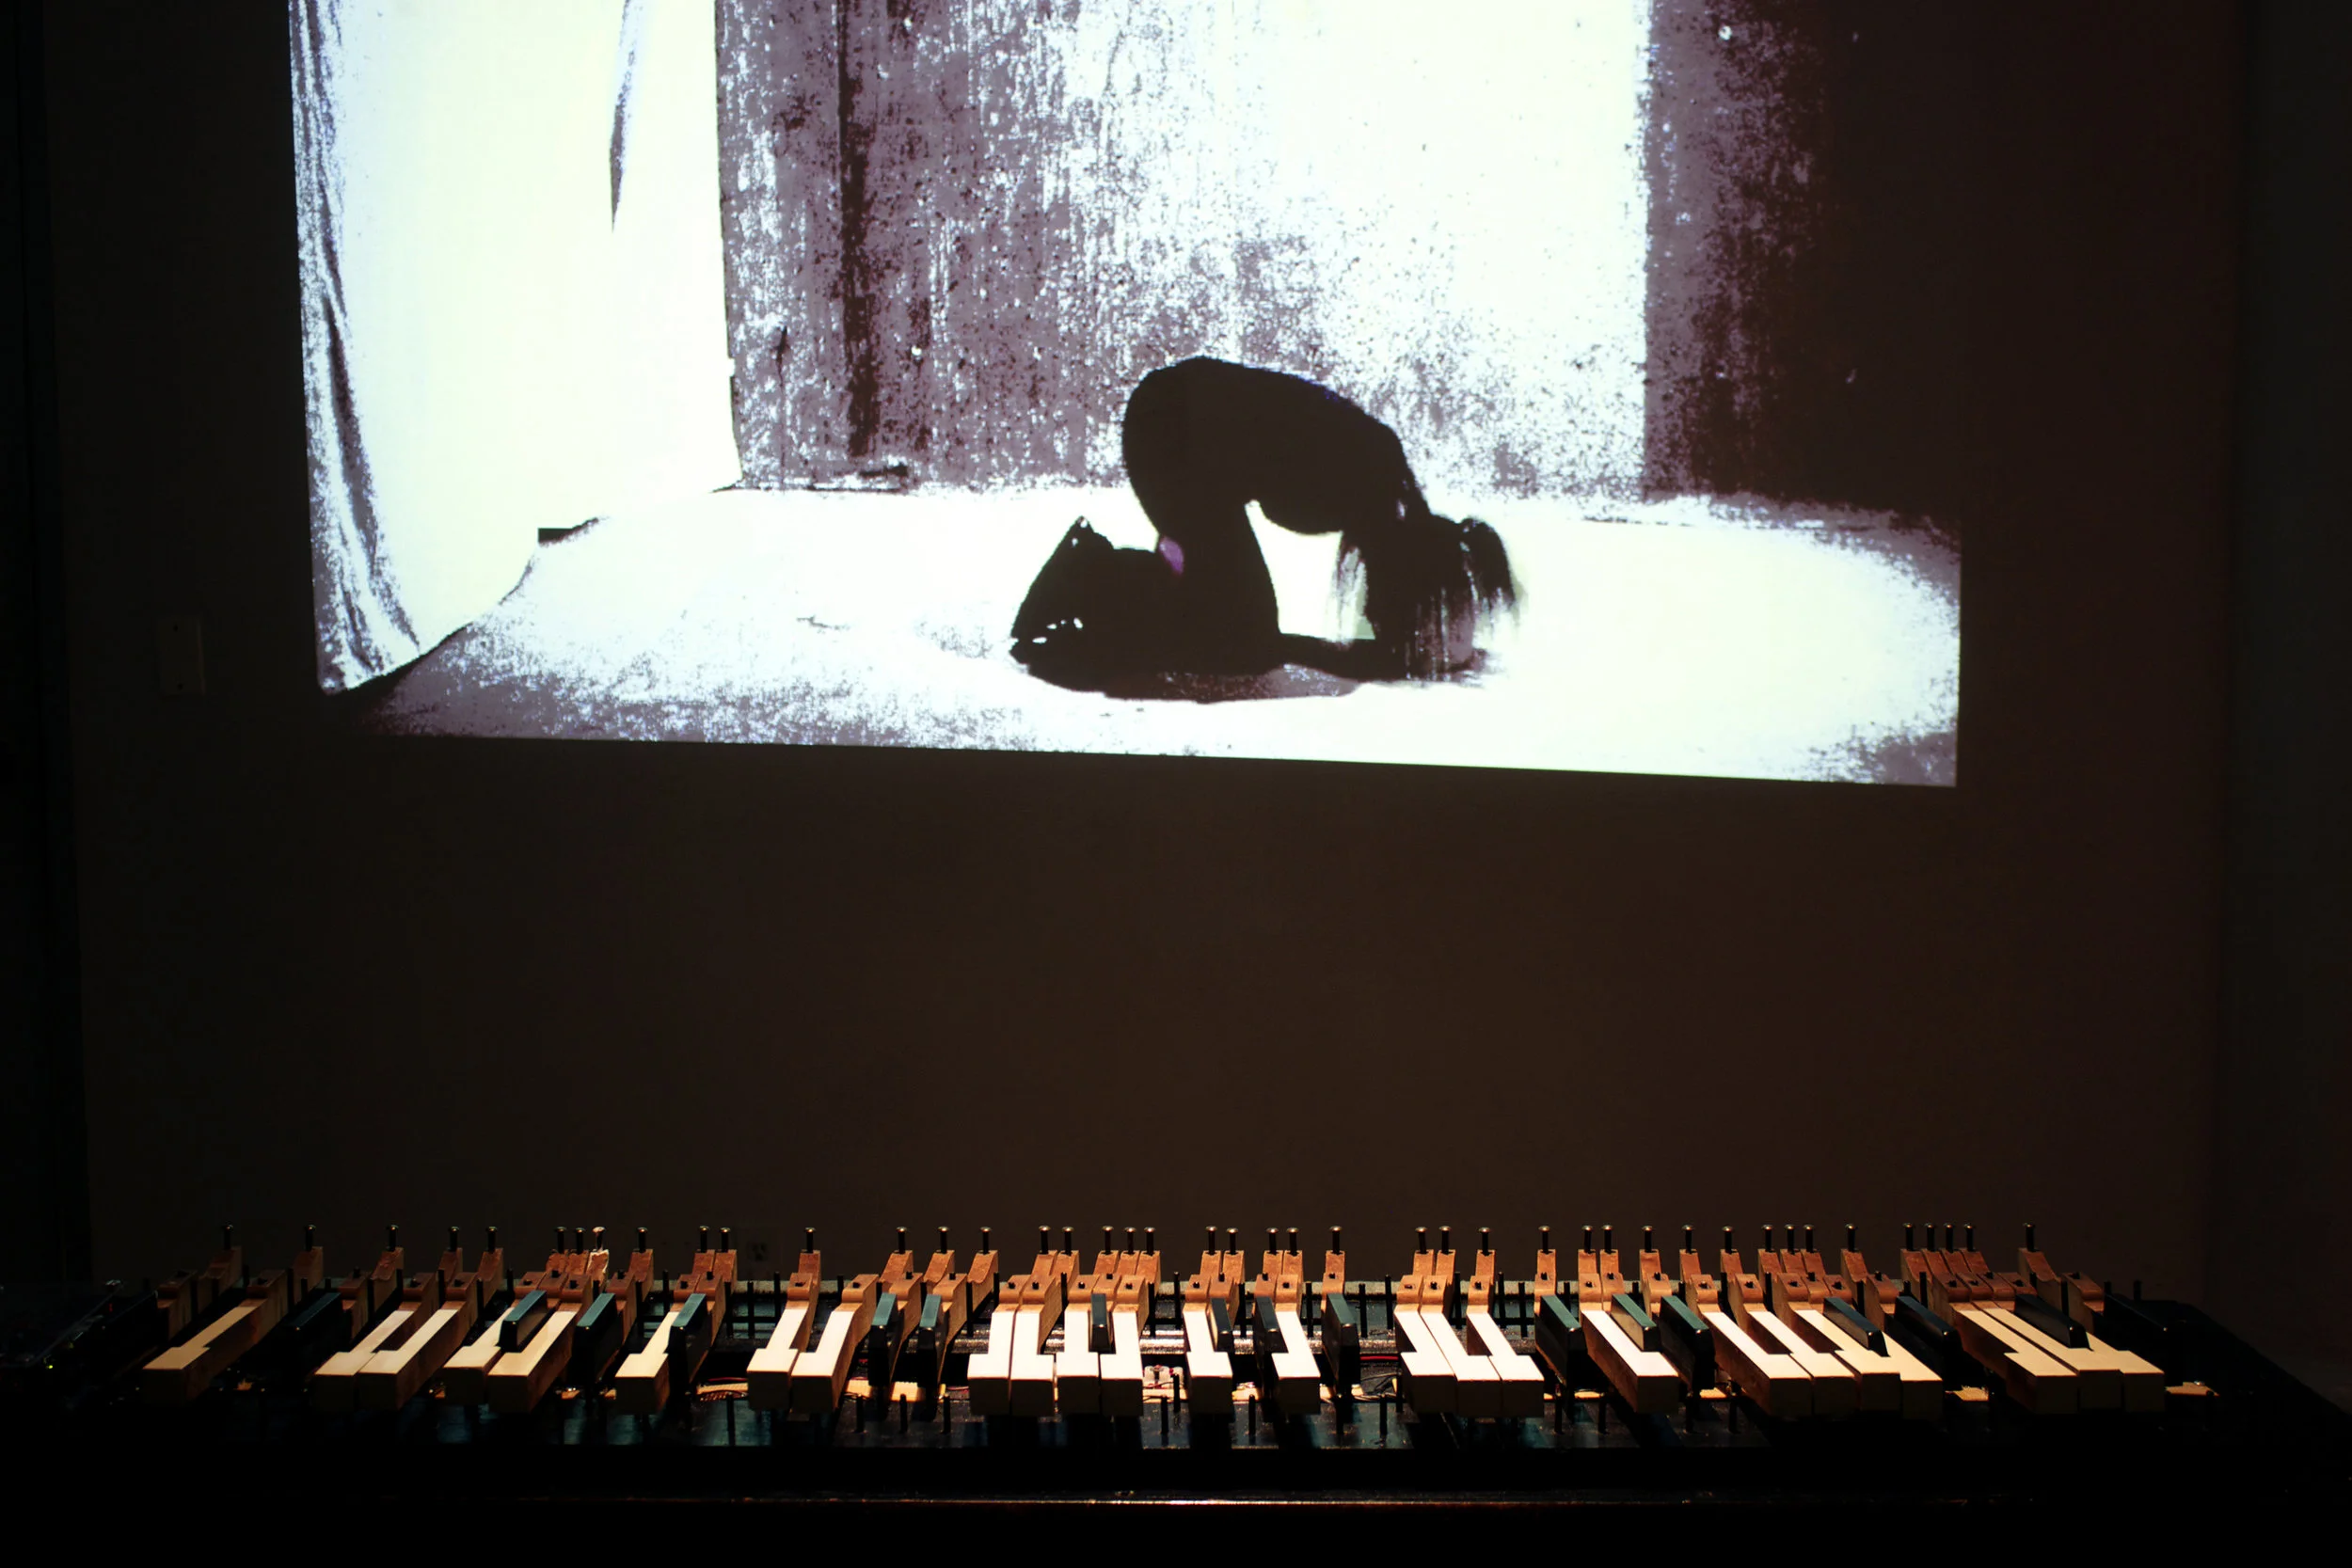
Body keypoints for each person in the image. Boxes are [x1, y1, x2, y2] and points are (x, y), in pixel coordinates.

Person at [1010, 357, 1517, 687]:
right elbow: (1279, 498)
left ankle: (1131, 581)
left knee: (1243, 633)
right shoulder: (1372, 480)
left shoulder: (1378, 481)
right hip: (1173, 431)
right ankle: (1089, 574)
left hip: (1185, 432)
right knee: (1240, 643)